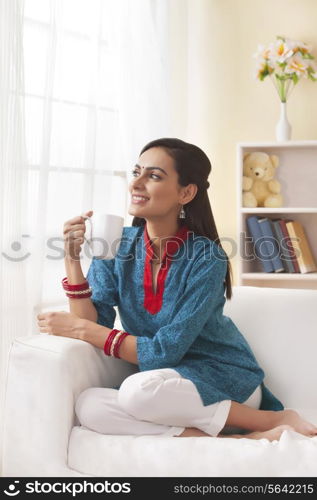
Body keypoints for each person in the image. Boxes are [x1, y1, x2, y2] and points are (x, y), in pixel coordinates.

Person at [37, 138, 317, 441]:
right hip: (165, 386)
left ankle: (269, 418)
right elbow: (96, 324)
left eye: (154, 176)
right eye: (136, 172)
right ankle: (236, 439)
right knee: (90, 406)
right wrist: (72, 258)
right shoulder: (117, 244)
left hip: (223, 379)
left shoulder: (207, 257)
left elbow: (163, 351)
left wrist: (79, 329)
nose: (136, 184)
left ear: (186, 192)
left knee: (137, 392)